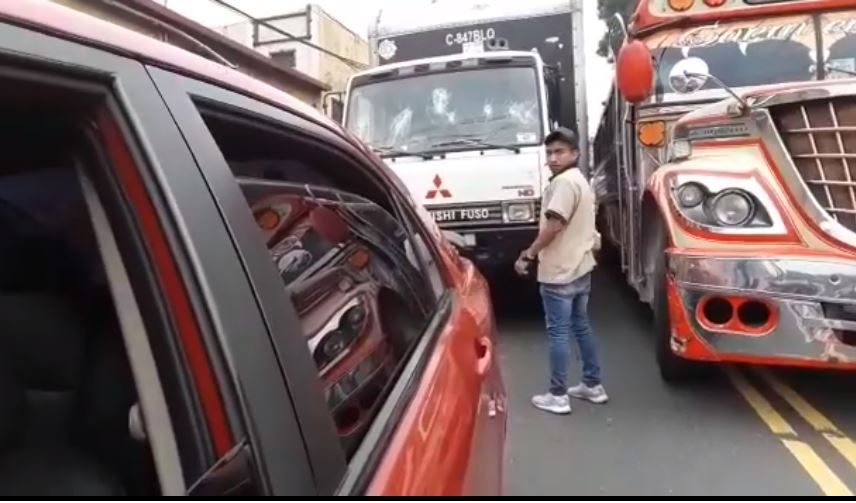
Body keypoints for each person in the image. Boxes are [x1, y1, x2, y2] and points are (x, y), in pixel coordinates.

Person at [515, 127, 607, 415]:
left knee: (558, 333)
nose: (553, 158)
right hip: (581, 267)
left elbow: (554, 226)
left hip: (559, 271)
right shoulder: (580, 180)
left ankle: (558, 395)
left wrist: (528, 254)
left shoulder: (564, 184)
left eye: (559, 152)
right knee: (581, 325)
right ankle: (593, 385)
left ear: (575, 153)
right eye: (550, 153)